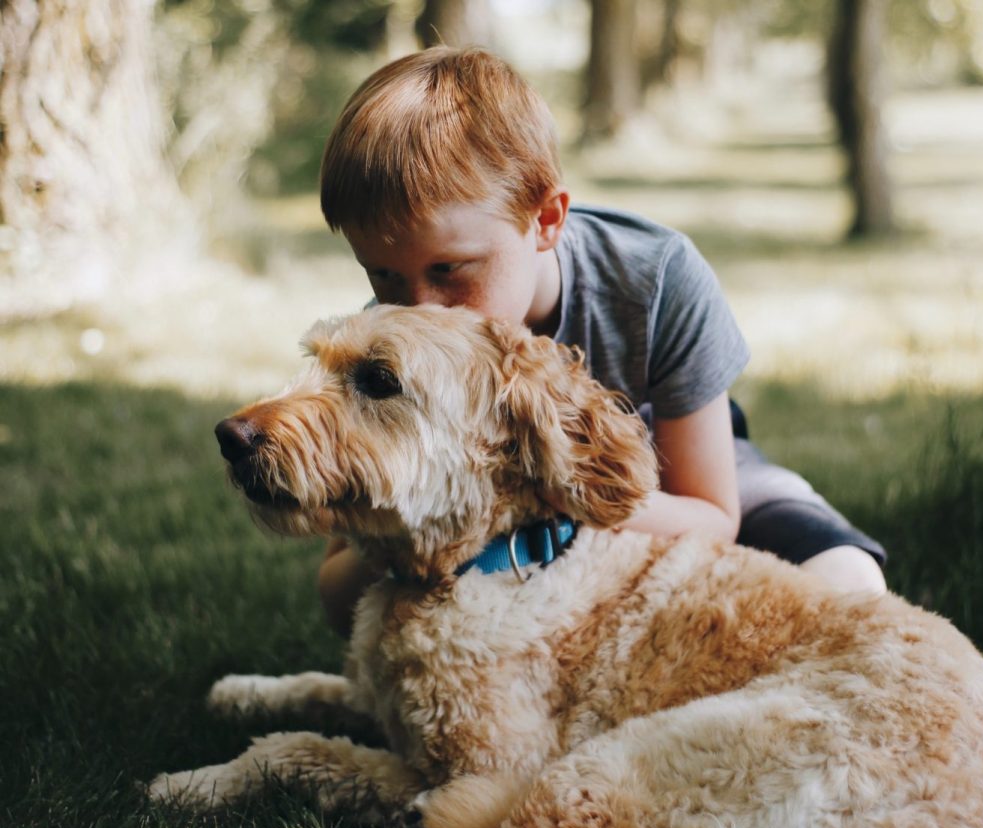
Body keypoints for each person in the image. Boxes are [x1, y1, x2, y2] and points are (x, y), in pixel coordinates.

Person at [316, 46, 886, 638]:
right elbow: (337, 595)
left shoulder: (655, 280)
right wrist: (402, 528)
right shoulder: (387, 354)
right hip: (485, 527)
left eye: (450, 270)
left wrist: (559, 492)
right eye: (382, 276)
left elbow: (713, 516)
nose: (418, 310)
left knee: (850, 580)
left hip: (671, 475)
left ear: (546, 220)